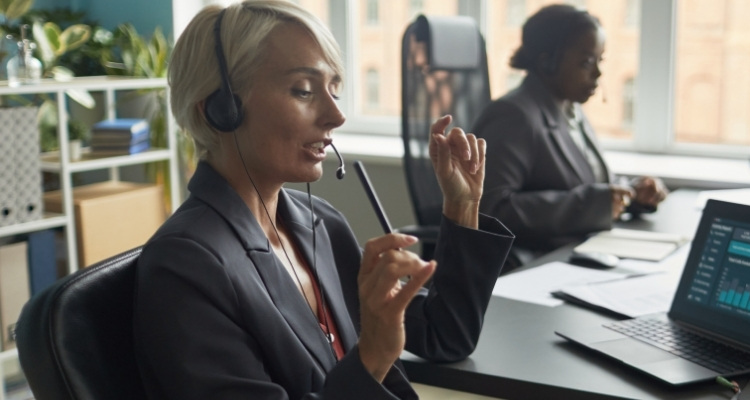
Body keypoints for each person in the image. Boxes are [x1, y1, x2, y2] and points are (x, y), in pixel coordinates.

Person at [133, 1, 513, 399]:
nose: (337, 115)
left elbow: (445, 336)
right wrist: (372, 359)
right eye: (304, 90)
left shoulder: (320, 223)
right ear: (220, 110)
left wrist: (462, 205)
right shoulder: (185, 264)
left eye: (334, 90)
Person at [473, 5, 668, 258]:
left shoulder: (569, 108)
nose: (598, 73)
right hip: (533, 263)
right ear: (547, 61)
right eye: (587, 62)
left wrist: (631, 193)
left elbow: (583, 184)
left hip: (578, 252)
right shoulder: (514, 116)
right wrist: (593, 205)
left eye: (600, 61)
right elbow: (491, 211)